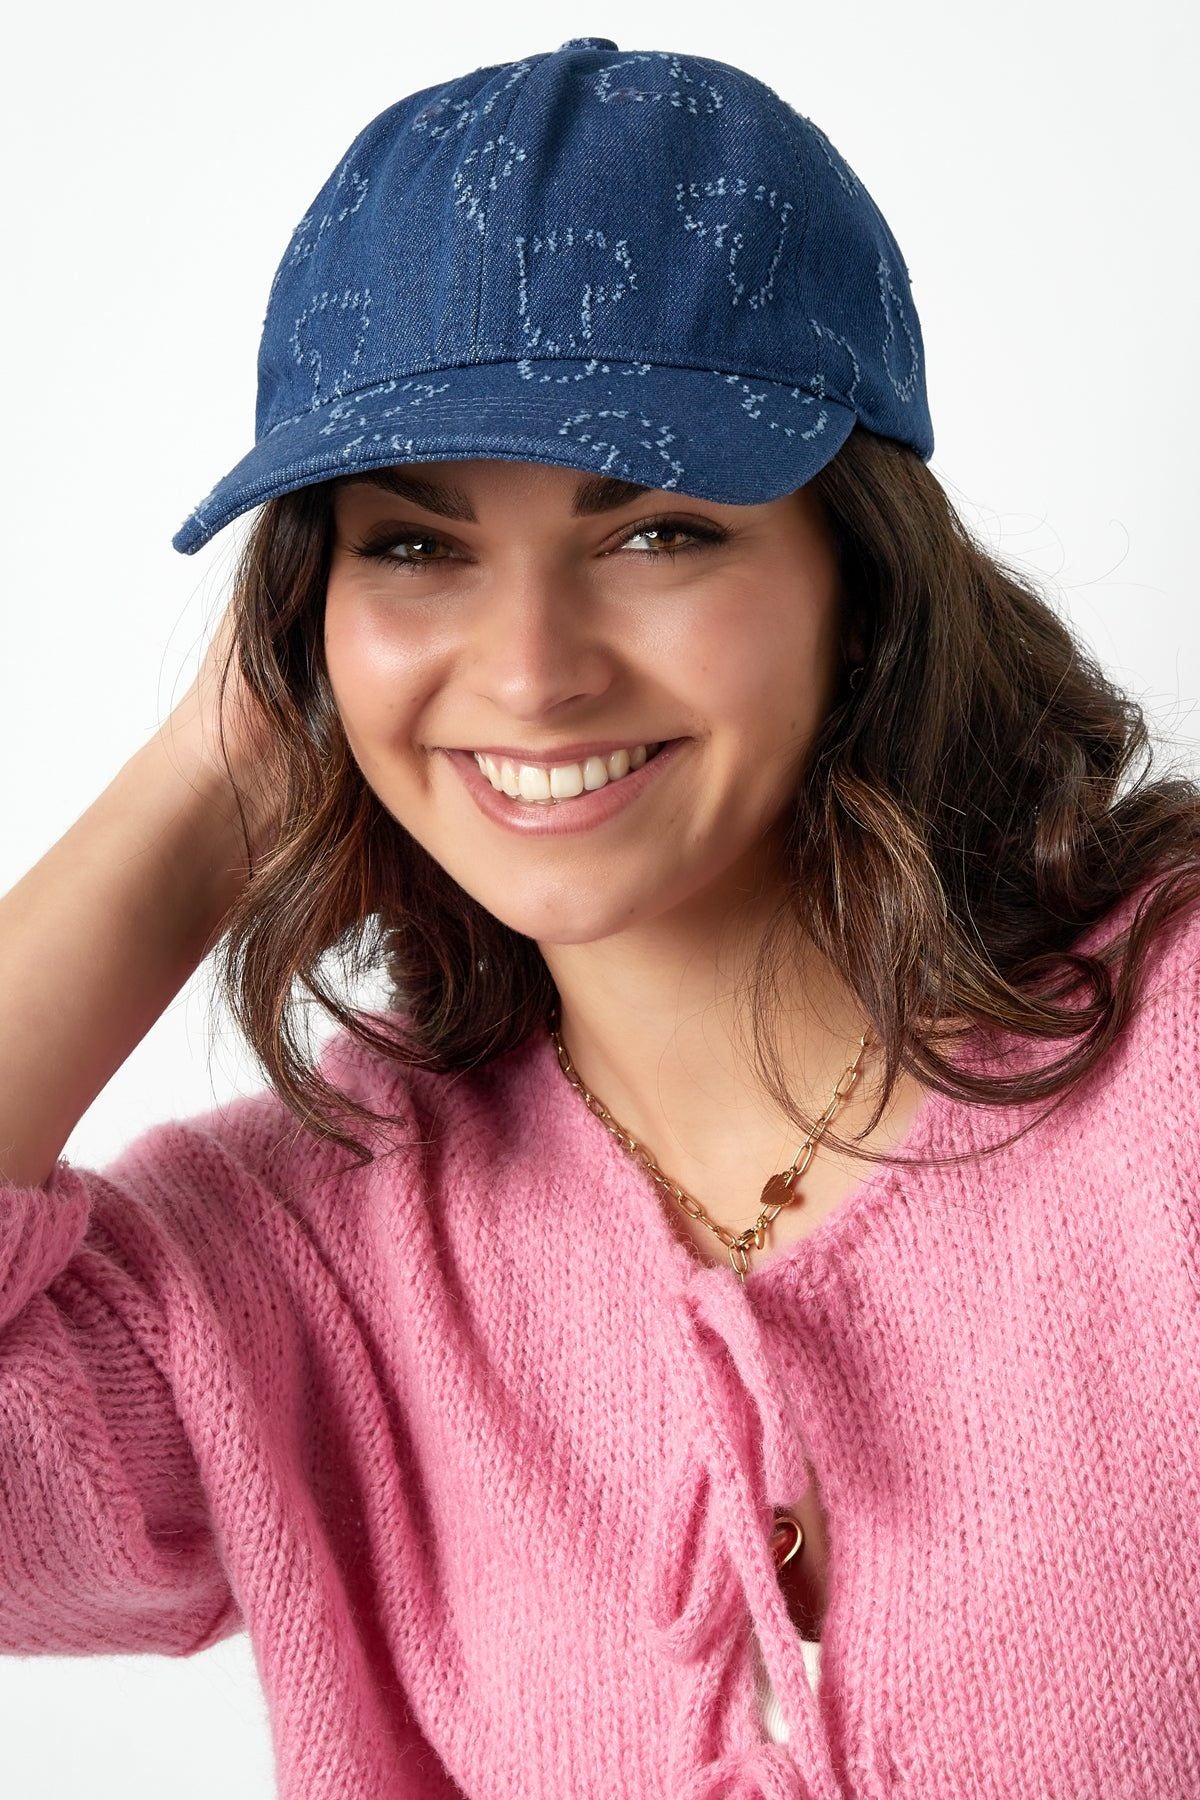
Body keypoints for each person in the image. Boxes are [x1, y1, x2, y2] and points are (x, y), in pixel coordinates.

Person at [2, 36, 1198, 1800]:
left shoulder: (1166, 1064)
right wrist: (212, 784)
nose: (536, 671)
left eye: (654, 534)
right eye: (415, 547)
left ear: (860, 580)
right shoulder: (311, 1250)